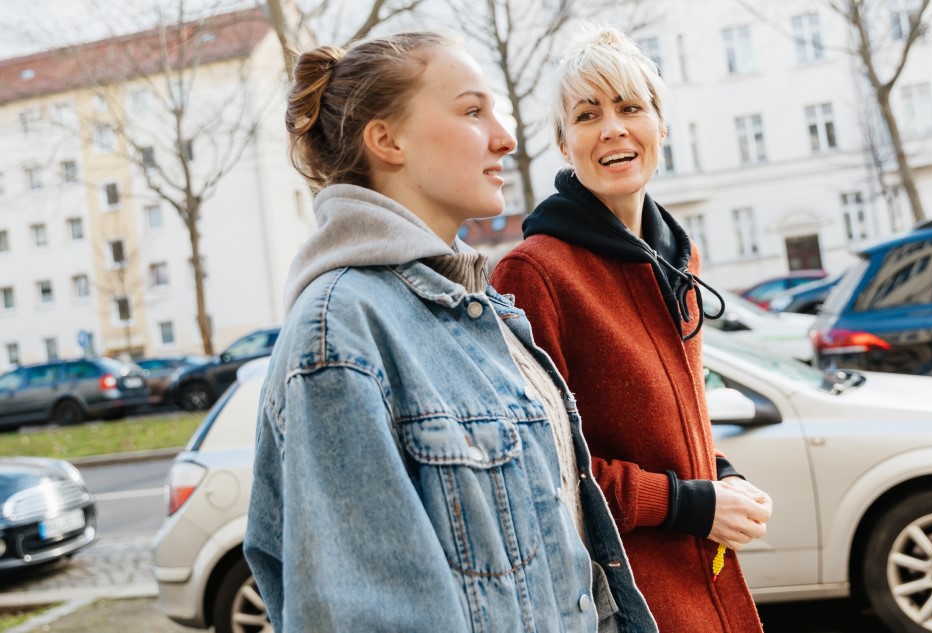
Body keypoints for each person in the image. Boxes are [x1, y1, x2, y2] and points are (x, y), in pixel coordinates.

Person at [243, 32, 656, 632]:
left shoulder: (481, 310)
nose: (505, 138)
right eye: (471, 111)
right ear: (387, 140)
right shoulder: (340, 334)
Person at [492, 27, 772, 633]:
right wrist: (693, 505)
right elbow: (544, 470)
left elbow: (666, 424)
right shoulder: (534, 272)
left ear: (660, 127)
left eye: (630, 108)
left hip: (706, 579)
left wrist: (719, 475)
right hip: (622, 600)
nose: (613, 128)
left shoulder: (677, 258)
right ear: (565, 146)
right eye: (588, 115)